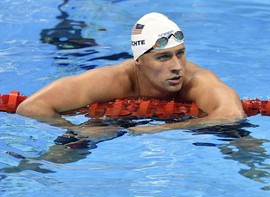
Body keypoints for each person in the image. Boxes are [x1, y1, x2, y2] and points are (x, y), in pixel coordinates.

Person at [16, 12, 245, 135]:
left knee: (238, 137)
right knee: (80, 139)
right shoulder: (112, 80)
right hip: (110, 121)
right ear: (139, 62)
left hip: (170, 125)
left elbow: (231, 115)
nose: (177, 66)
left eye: (180, 53)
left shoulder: (196, 80)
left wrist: (160, 130)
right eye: (163, 57)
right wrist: (75, 130)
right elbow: (31, 107)